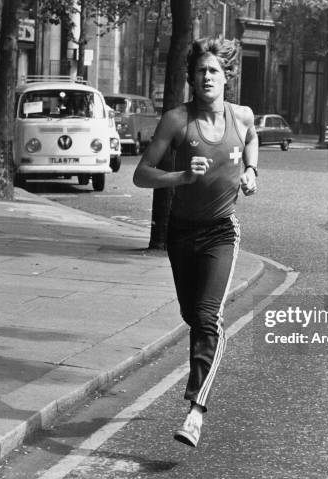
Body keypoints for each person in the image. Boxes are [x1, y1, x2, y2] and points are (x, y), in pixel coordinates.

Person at [133, 36, 258, 448]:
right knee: (193, 316)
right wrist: (182, 177)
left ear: (227, 78)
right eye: (201, 70)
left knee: (207, 319)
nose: (207, 77)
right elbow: (142, 174)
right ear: (191, 77)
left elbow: (252, 139)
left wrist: (252, 169)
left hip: (222, 231)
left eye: (214, 71)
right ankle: (205, 357)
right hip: (181, 232)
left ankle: (195, 411)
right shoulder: (176, 120)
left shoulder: (241, 117)